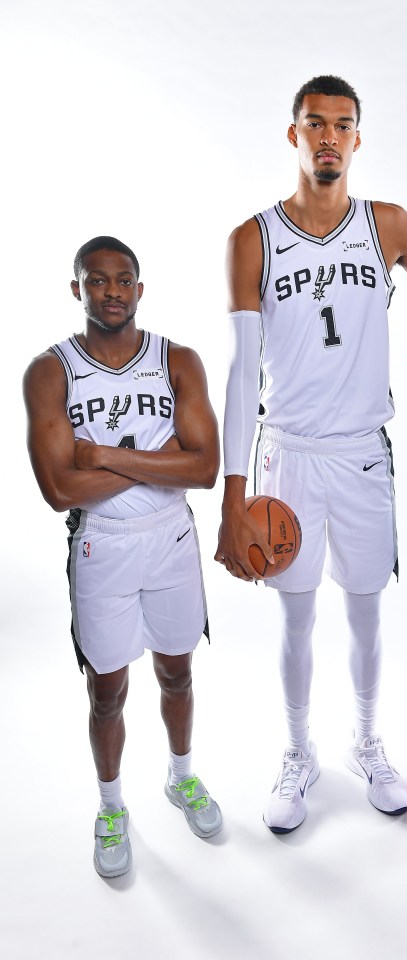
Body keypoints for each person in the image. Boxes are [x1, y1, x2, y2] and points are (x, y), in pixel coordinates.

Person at [215, 75, 407, 833]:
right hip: (289, 455)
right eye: (314, 124)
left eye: (342, 125)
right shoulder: (252, 238)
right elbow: (241, 372)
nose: (328, 137)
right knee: (296, 619)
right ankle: (298, 752)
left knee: (366, 613)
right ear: (293, 135)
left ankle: (367, 743)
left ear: (358, 138)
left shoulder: (387, 225)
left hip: (364, 452)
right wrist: (232, 496)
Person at [23, 237, 222, 878]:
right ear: (76, 288)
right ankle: (111, 807)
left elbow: (207, 468)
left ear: (141, 288)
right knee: (106, 690)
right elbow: (59, 490)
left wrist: (105, 455)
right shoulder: (50, 371)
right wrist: (165, 461)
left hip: (170, 540)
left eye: (124, 279)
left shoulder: (178, 360)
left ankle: (181, 776)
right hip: (100, 545)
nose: (112, 291)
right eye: (97, 280)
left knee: (177, 673)